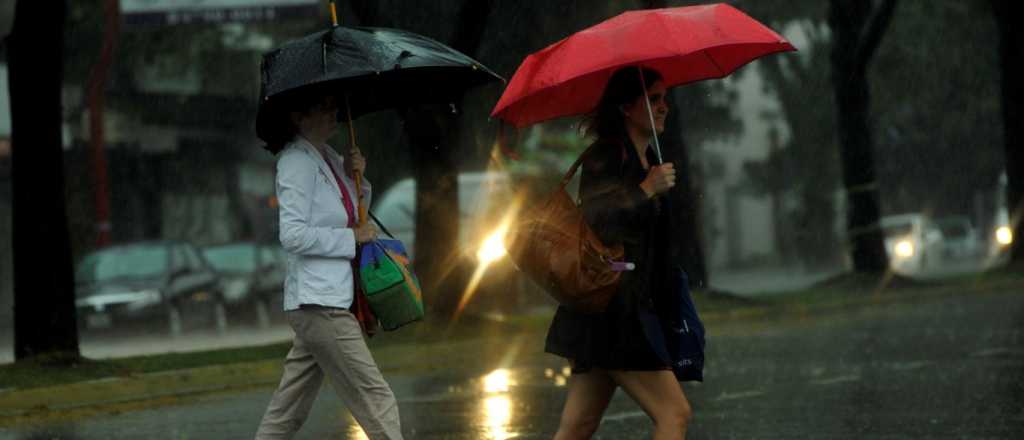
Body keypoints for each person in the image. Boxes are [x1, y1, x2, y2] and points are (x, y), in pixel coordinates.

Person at [546, 67, 698, 440]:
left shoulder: (650, 159)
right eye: (654, 99)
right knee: (674, 413)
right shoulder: (607, 156)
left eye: (665, 98)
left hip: (619, 310)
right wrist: (645, 191)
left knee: (578, 425)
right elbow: (597, 222)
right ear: (626, 108)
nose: (664, 107)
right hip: (614, 310)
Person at [254, 92, 403, 440]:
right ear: (299, 117)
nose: (333, 111)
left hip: (330, 300)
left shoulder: (330, 158)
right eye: (323, 107)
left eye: (333, 105)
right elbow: (293, 235)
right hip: (320, 303)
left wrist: (356, 178)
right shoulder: (296, 161)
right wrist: (352, 238)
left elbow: (353, 215)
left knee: (288, 411)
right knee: (376, 397)